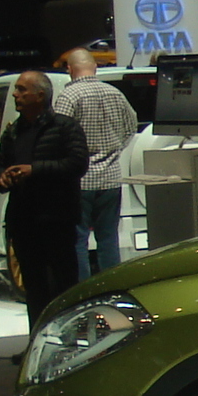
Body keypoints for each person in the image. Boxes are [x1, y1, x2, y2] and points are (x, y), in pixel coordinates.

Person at [0, 69, 89, 335]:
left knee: (63, 285)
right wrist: (3, 176)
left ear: (40, 95)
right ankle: (37, 342)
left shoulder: (64, 127)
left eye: (22, 89)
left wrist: (34, 170)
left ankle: (69, 340)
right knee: (34, 287)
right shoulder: (13, 131)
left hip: (56, 219)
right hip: (23, 220)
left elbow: (77, 164)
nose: (15, 95)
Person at [53, 48, 138, 278]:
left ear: (70, 69)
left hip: (79, 181)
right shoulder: (115, 93)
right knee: (109, 238)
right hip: (111, 178)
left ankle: (82, 290)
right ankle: (111, 286)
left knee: (78, 240)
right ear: (95, 67)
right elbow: (131, 126)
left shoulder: (69, 96)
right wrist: (115, 148)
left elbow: (58, 134)